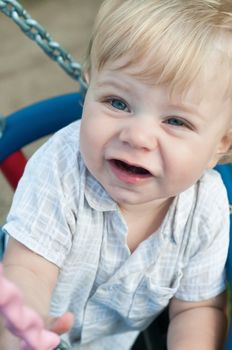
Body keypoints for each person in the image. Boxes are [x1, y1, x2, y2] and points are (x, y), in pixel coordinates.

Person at [1, 0, 232, 349]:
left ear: (221, 143)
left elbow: (196, 308)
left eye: (176, 121)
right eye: (117, 102)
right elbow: (28, 270)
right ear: (90, 86)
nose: (136, 136)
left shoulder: (207, 207)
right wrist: (24, 326)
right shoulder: (60, 167)